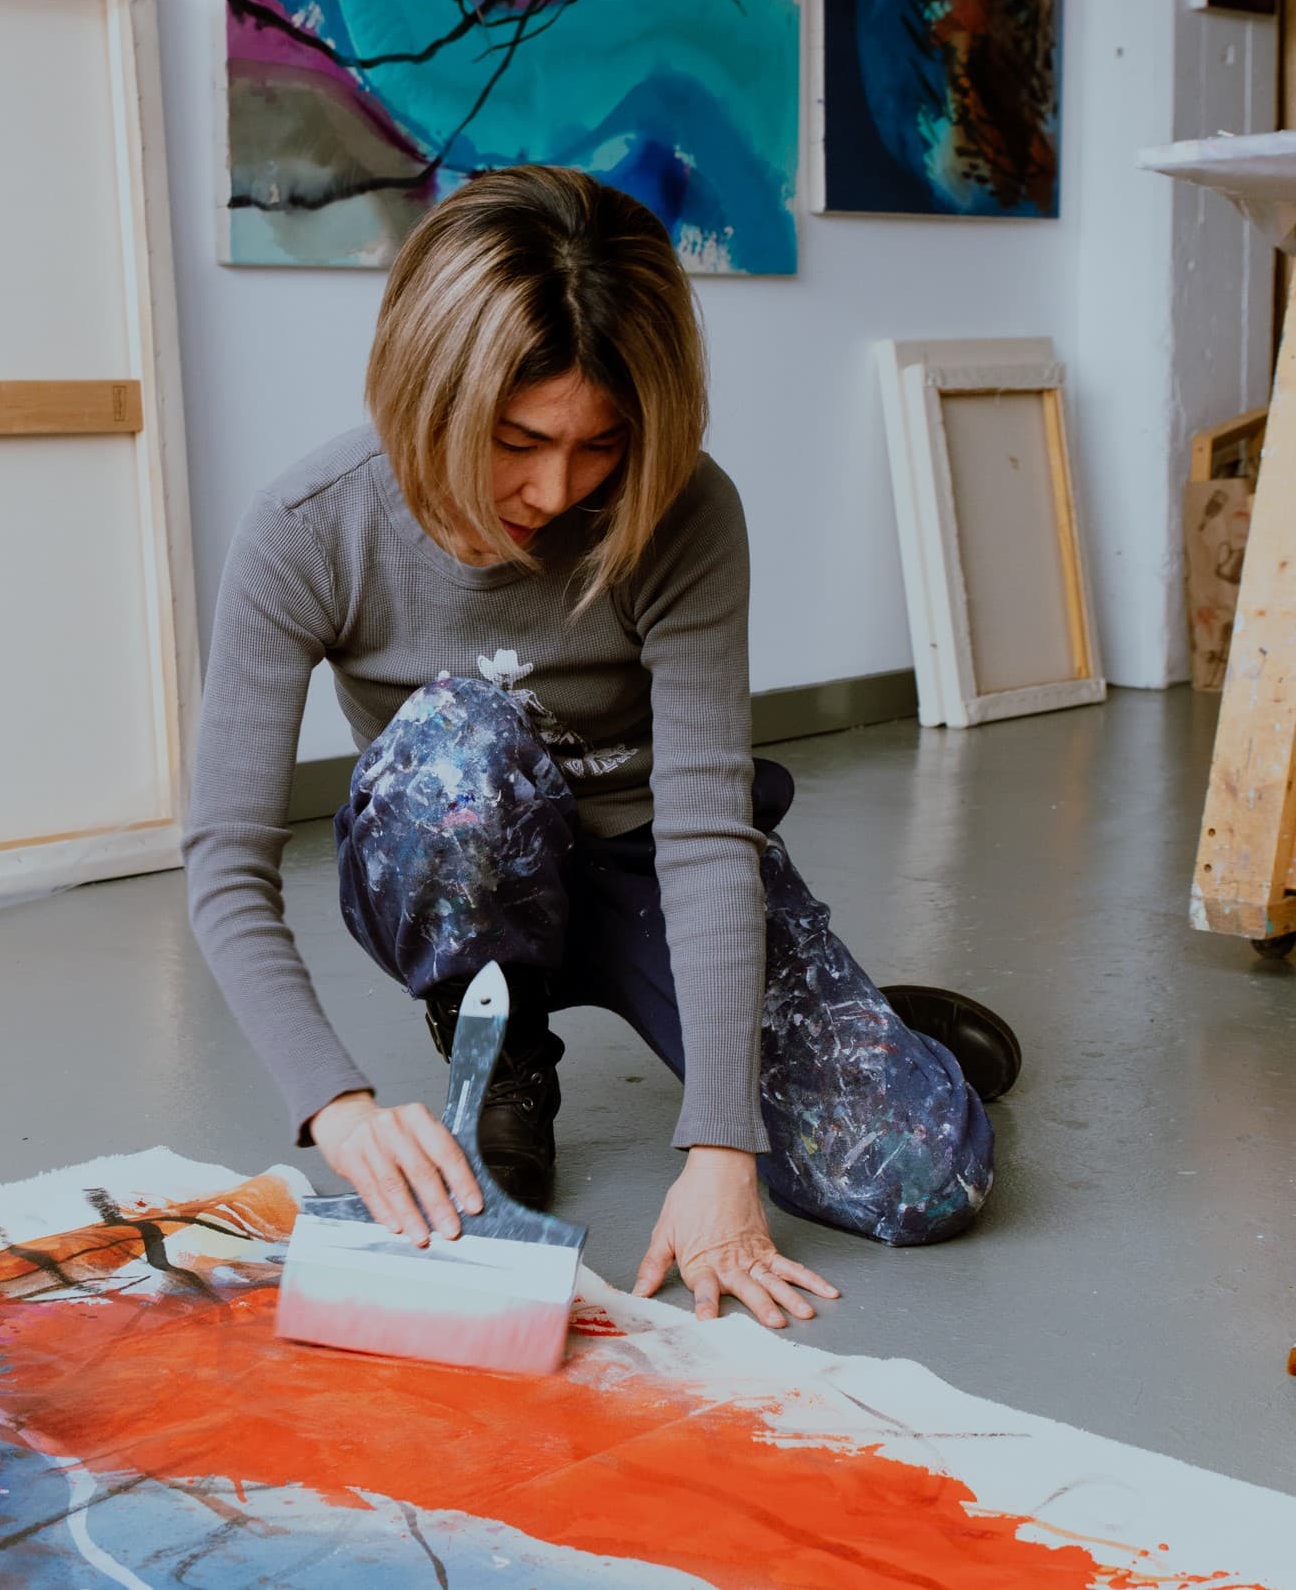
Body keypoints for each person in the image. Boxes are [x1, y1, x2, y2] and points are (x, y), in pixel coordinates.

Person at [183, 166, 1021, 1329]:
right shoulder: (306, 528)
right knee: (459, 736)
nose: (553, 489)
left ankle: (878, 1028)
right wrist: (339, 1105)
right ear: (425, 389)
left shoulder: (684, 510)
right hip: (464, 863)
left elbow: (706, 831)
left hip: (651, 868)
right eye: (517, 440)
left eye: (600, 445)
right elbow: (224, 861)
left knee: (924, 1179)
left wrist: (722, 1147)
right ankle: (504, 1046)